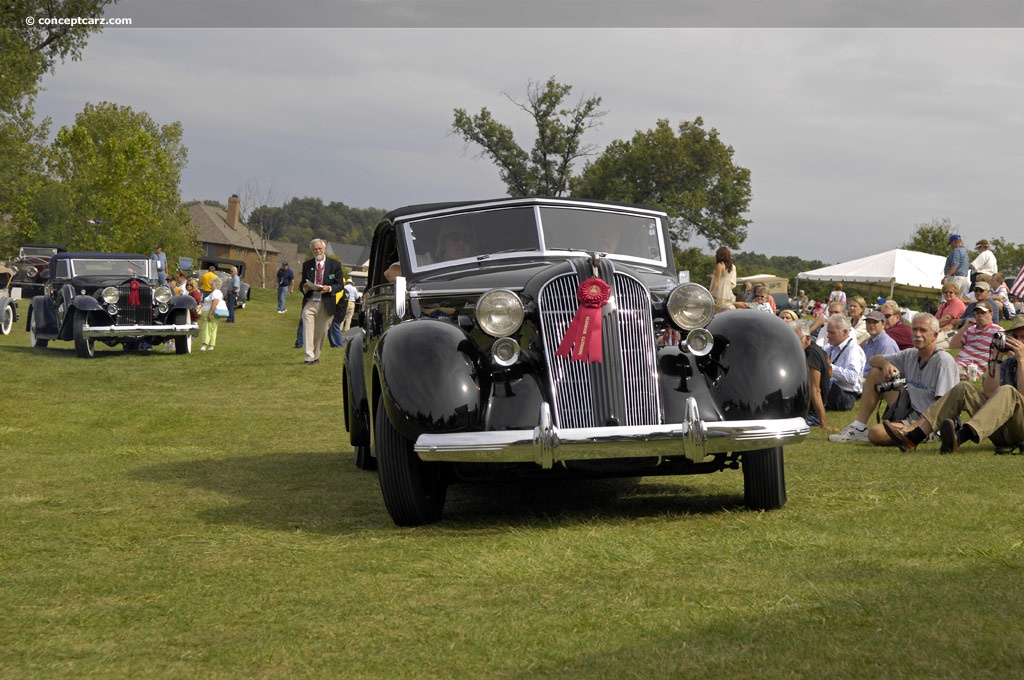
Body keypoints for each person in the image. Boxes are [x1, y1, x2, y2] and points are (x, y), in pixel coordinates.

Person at [881, 315, 1024, 454]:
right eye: (1014, 338)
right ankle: (914, 437)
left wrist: (1022, 361)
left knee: (1008, 391)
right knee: (964, 387)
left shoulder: (1019, 361)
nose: (1017, 342)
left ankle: (960, 437)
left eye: (1022, 338)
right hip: (1002, 431)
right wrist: (996, 358)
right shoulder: (1008, 364)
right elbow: (989, 394)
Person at [829, 313, 958, 445]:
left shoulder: (943, 361)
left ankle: (921, 434)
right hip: (911, 409)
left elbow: (944, 405)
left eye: (923, 330)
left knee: (876, 433)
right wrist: (885, 365)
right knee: (876, 372)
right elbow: (874, 360)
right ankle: (859, 427)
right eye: (914, 329)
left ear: (935, 336)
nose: (918, 334)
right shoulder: (911, 354)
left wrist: (914, 427)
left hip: (931, 421)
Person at [299, 238, 344, 365]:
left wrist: (328, 288)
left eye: (319, 248)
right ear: (311, 250)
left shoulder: (335, 265)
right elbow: (302, 282)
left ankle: (316, 355)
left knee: (322, 331)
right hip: (311, 300)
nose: (317, 251)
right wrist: (304, 287)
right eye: (315, 249)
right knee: (307, 327)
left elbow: (339, 285)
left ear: (324, 249)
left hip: (326, 301)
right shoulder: (307, 265)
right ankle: (308, 356)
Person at [790, 320, 830, 430]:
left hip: (811, 414)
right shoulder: (816, 350)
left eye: (795, 340)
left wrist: (824, 423)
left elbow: (815, 390)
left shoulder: (811, 355)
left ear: (807, 339)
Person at [823, 314, 866, 411]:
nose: (828, 336)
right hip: (834, 391)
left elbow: (853, 377)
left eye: (832, 333)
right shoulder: (829, 347)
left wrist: (829, 368)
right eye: (828, 332)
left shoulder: (853, 350)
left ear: (845, 332)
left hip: (845, 396)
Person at [949, 300, 1001, 379]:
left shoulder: (997, 331)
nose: (980, 315)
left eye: (983, 313)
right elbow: (952, 346)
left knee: (944, 370)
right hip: (957, 363)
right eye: (977, 313)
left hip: (970, 369)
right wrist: (964, 327)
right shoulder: (971, 329)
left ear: (991, 314)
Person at [861, 310, 899, 375]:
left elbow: (881, 373)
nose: (871, 325)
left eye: (875, 322)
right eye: (868, 322)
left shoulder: (887, 345)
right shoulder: (868, 342)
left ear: (883, 324)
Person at [199, 277, 224, 351]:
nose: (210, 285)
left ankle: (204, 344)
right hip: (213, 312)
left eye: (212, 284)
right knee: (213, 329)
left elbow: (215, 302)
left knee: (207, 328)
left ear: (216, 284)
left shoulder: (215, 293)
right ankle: (211, 345)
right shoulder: (219, 292)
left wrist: (210, 313)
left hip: (210, 312)